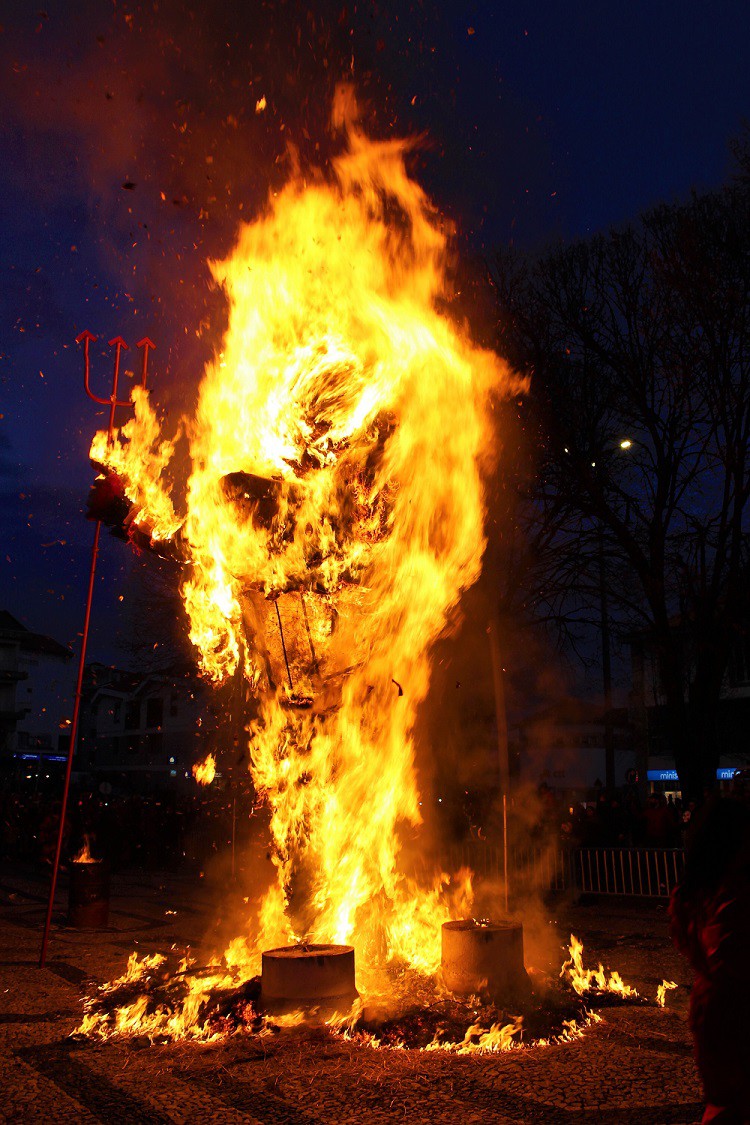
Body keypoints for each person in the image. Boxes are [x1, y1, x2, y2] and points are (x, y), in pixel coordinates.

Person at [669, 797, 750, 1123]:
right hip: (733, 1013)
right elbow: (732, 954)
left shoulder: (694, 893)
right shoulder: (733, 895)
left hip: (713, 1011)